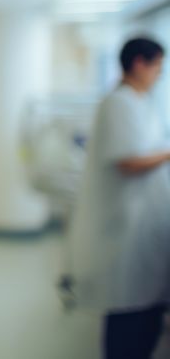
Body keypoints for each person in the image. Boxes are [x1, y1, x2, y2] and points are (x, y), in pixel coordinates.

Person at [67, 36, 170, 359]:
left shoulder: (138, 102)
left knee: (146, 318)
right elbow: (128, 162)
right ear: (139, 63)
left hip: (143, 226)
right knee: (129, 324)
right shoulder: (120, 102)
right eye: (158, 67)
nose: (160, 75)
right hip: (126, 229)